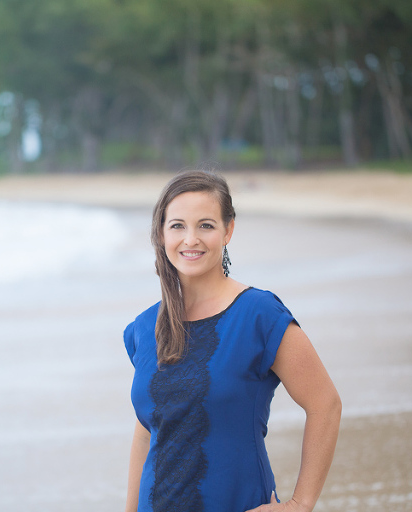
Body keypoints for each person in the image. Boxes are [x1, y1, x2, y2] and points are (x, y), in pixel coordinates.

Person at [123, 170, 341, 512]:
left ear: (228, 230)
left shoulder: (259, 315)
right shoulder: (144, 327)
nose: (190, 239)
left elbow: (325, 405)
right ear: (161, 233)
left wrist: (301, 504)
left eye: (206, 225)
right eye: (177, 225)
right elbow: (148, 429)